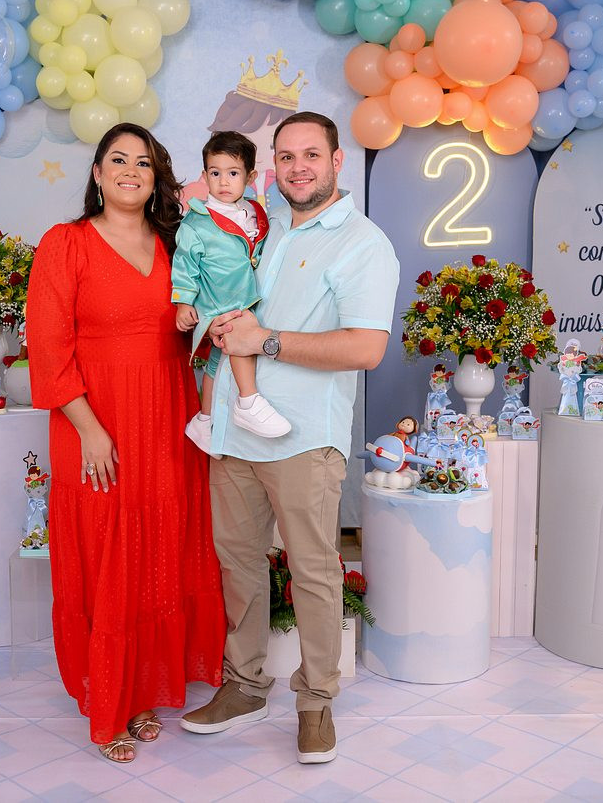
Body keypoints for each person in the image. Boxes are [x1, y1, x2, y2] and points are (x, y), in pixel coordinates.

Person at [180, 112, 399, 764]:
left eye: (311, 154)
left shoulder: (362, 243)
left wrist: (265, 340)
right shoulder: (260, 223)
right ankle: (245, 686)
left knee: (313, 572)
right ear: (270, 167)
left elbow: (365, 348)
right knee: (238, 564)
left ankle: (315, 701)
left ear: (336, 161)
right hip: (231, 431)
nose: (298, 167)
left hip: (303, 436)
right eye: (286, 156)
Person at [26, 123, 226, 763]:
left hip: (167, 418)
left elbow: (200, 323)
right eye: (118, 160)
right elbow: (49, 349)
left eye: (143, 162)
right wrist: (89, 429)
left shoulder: (176, 244)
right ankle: (109, 703)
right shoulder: (65, 245)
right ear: (97, 173)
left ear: (155, 175)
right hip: (96, 422)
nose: (130, 171)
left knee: (157, 549)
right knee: (107, 553)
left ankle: (141, 694)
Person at [173, 131, 289, 454]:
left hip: (245, 292)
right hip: (220, 297)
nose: (223, 181)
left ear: (250, 177)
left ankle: (204, 419)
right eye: (215, 173)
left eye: (233, 173)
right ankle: (248, 401)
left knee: (215, 362)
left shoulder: (254, 213)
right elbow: (184, 264)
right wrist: (183, 302)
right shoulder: (197, 223)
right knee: (239, 335)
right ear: (204, 176)